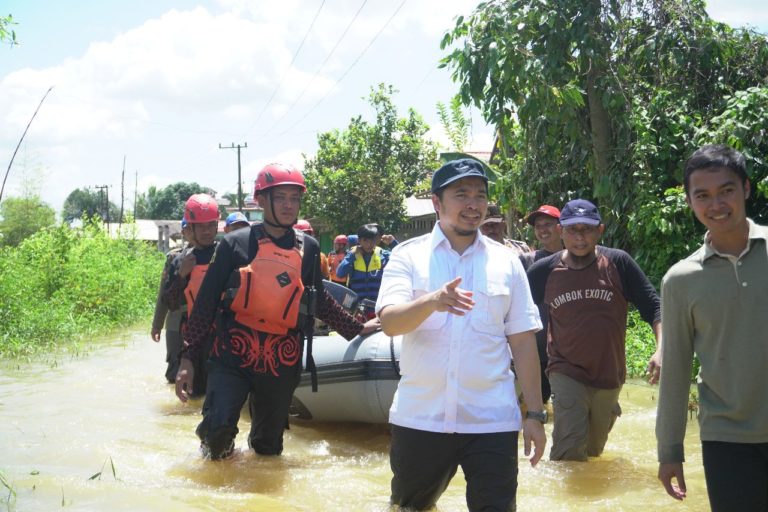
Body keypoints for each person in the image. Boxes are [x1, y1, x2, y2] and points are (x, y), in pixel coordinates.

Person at [174, 163, 379, 460]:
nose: (288, 205)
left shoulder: (308, 248)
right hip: (232, 353)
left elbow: (319, 300)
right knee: (217, 435)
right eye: (280, 197)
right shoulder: (234, 244)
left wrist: (356, 328)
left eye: (294, 198)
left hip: (281, 358)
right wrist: (188, 358)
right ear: (261, 200)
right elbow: (205, 303)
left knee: (268, 450)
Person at [376, 158, 546, 511]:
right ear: (437, 203)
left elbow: (523, 341)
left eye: (480, 196)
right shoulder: (408, 257)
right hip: (421, 418)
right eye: (462, 194)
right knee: (410, 508)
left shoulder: (507, 262)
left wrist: (535, 414)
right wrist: (433, 301)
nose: (473, 204)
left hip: (491, 419)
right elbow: (391, 323)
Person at [656, 144, 768, 511]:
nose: (716, 205)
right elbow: (675, 370)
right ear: (689, 201)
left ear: (746, 189)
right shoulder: (681, 279)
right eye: (702, 195)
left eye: (726, 191)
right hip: (726, 440)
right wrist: (669, 450)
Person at [527, 198, 661, 461]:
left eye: (587, 229)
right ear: (561, 231)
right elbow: (513, 314)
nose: (580, 237)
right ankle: (569, 499)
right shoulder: (544, 270)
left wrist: (661, 349)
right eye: (572, 229)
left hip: (609, 374)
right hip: (565, 370)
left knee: (594, 451)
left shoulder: (618, 263)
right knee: (569, 450)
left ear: (600, 230)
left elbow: (654, 306)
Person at [162, 194, 221, 397]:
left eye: (210, 225)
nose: (206, 231)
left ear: (217, 225)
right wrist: (181, 275)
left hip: (222, 338)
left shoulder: (227, 255)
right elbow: (170, 303)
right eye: (201, 226)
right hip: (192, 340)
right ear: (190, 229)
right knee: (194, 396)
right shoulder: (179, 261)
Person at [151, 218, 189, 383]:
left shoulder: (215, 255)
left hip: (203, 321)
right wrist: (157, 325)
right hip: (176, 318)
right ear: (184, 232)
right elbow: (163, 294)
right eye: (190, 228)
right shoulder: (173, 258)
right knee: (174, 365)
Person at [336, 223, 393, 318]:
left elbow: (403, 257)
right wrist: (351, 255)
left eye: (373, 240)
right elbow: (340, 273)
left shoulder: (383, 255)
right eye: (365, 240)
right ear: (359, 241)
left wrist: (392, 243)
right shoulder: (352, 255)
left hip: (378, 308)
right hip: (358, 310)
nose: (369, 244)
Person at [520, 204, 562, 271]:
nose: (542, 230)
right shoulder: (527, 260)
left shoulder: (574, 258)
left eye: (547, 224)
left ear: (560, 227)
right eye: (538, 226)